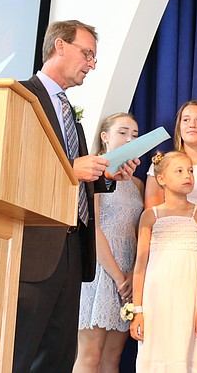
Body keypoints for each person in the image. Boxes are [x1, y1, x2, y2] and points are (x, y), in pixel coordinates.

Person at [13, 20, 139, 373]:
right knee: (22, 353)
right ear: (60, 47)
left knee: (57, 358)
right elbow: (16, 167)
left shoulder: (70, 113)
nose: (92, 64)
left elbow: (76, 178)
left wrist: (105, 175)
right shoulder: (23, 97)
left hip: (72, 252)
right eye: (87, 53)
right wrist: (71, 167)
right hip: (37, 251)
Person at [131, 151, 197, 371]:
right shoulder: (150, 216)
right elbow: (140, 266)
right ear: (161, 179)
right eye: (179, 171)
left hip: (189, 298)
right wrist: (138, 310)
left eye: (190, 171)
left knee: (187, 355)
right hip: (156, 300)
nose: (187, 175)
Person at [74, 113, 145, 372]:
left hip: (127, 275)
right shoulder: (95, 175)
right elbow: (92, 228)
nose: (130, 139)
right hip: (100, 271)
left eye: (135, 135)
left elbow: (140, 231)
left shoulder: (137, 183)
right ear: (105, 137)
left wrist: (131, 275)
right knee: (89, 356)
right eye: (123, 132)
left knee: (111, 359)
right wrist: (117, 276)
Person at [144, 100, 197, 208]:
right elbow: (152, 213)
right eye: (186, 119)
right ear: (179, 127)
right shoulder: (161, 164)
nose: (192, 125)